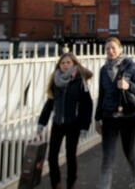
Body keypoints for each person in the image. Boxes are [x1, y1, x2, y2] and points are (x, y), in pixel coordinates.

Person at [95, 37, 135, 189]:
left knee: (129, 151)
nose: (110, 51)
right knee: (107, 157)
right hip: (109, 117)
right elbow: (102, 94)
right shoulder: (103, 70)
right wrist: (97, 118)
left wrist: (128, 85)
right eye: (107, 49)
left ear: (120, 49)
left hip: (128, 117)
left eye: (113, 48)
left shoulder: (131, 66)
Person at [37, 53, 93, 189]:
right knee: (51, 157)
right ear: (59, 65)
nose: (65, 65)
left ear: (74, 64)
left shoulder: (80, 81)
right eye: (62, 63)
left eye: (68, 62)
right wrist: (41, 123)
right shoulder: (56, 81)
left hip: (73, 124)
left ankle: (71, 184)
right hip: (57, 124)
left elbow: (87, 105)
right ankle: (56, 185)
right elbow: (50, 103)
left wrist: (85, 126)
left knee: (70, 156)